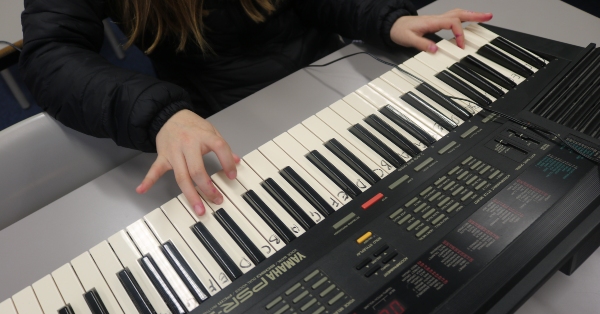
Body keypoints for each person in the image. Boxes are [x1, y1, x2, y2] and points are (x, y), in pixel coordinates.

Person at [20, 0, 492, 216]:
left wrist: (388, 17)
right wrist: (158, 113)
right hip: (230, 126)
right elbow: (49, 56)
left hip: (336, 84)